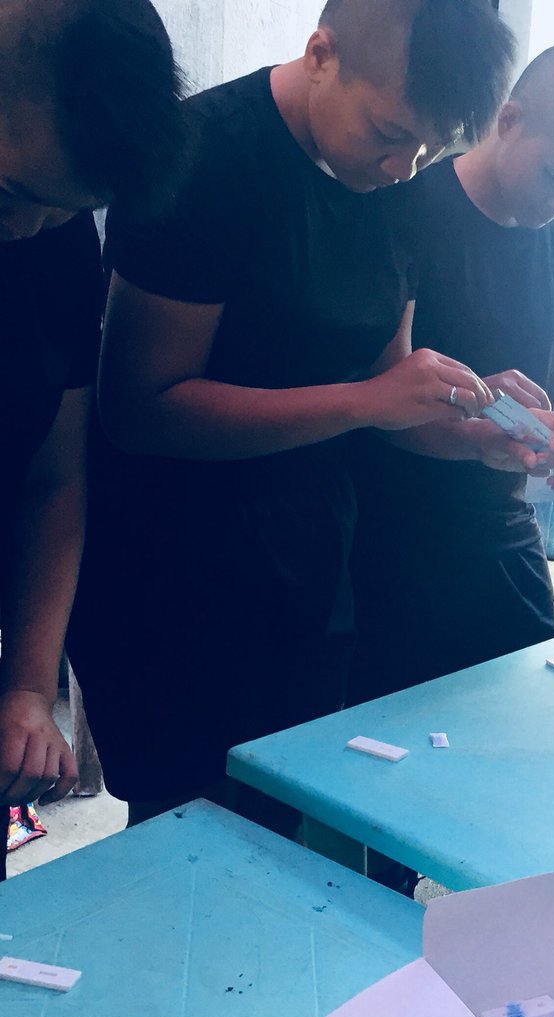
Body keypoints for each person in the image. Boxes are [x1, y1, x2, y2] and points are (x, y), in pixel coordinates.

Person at [67, 0, 516, 833]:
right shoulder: (204, 155)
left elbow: (391, 389)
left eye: (427, 147)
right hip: (174, 571)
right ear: (321, 54)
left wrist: (479, 439)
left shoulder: (396, 189)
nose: (401, 165)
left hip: (306, 558)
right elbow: (141, 409)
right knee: (187, 832)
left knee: (286, 814)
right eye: (388, 131)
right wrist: (366, 402)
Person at [348, 44, 554, 701]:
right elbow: (377, 403)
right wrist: (481, 434)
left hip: (503, 529)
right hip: (390, 532)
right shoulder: (410, 206)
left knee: (528, 715)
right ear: (508, 121)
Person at [0, 0, 184, 883]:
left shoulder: (55, 241)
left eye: (62, 211)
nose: (26, 231)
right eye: (14, 197)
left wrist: (30, 687)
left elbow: (55, 475)